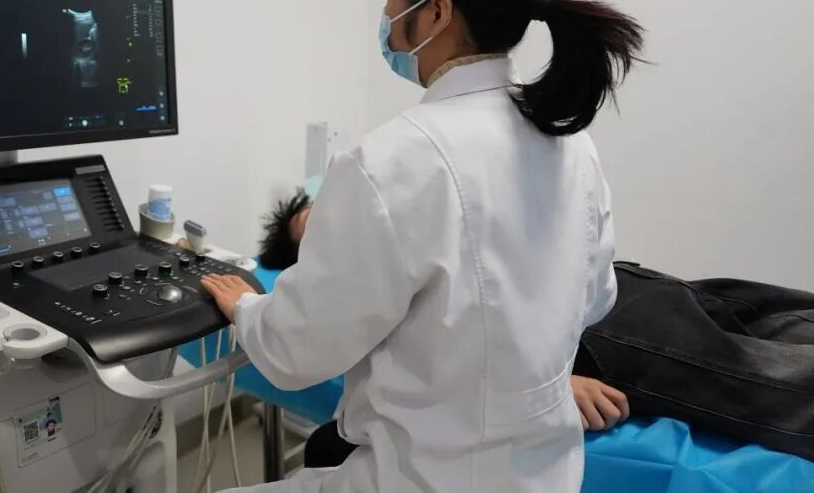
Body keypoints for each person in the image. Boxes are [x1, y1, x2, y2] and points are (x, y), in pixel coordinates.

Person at [201, 0, 643, 493]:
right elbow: (595, 297)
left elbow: (296, 352)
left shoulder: (392, 160)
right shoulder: (571, 142)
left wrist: (247, 308)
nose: (386, 15)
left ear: (435, 11)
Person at [261, 191, 814, 464]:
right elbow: (444, 348)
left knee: (781, 322)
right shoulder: (371, 297)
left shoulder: (415, 221)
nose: (339, 216)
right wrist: (547, 379)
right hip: (597, 327)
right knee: (777, 385)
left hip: (616, 288)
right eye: (319, 226)